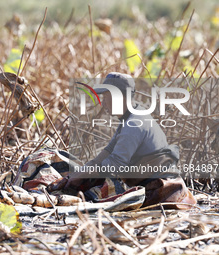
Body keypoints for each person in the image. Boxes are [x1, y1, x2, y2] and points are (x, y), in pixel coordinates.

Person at [65, 72, 197, 208]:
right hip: (147, 180)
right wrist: (80, 173)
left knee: (91, 196)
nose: (103, 103)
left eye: (106, 97)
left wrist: (83, 175)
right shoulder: (130, 117)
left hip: (161, 189)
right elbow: (107, 153)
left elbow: (115, 164)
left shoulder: (134, 123)